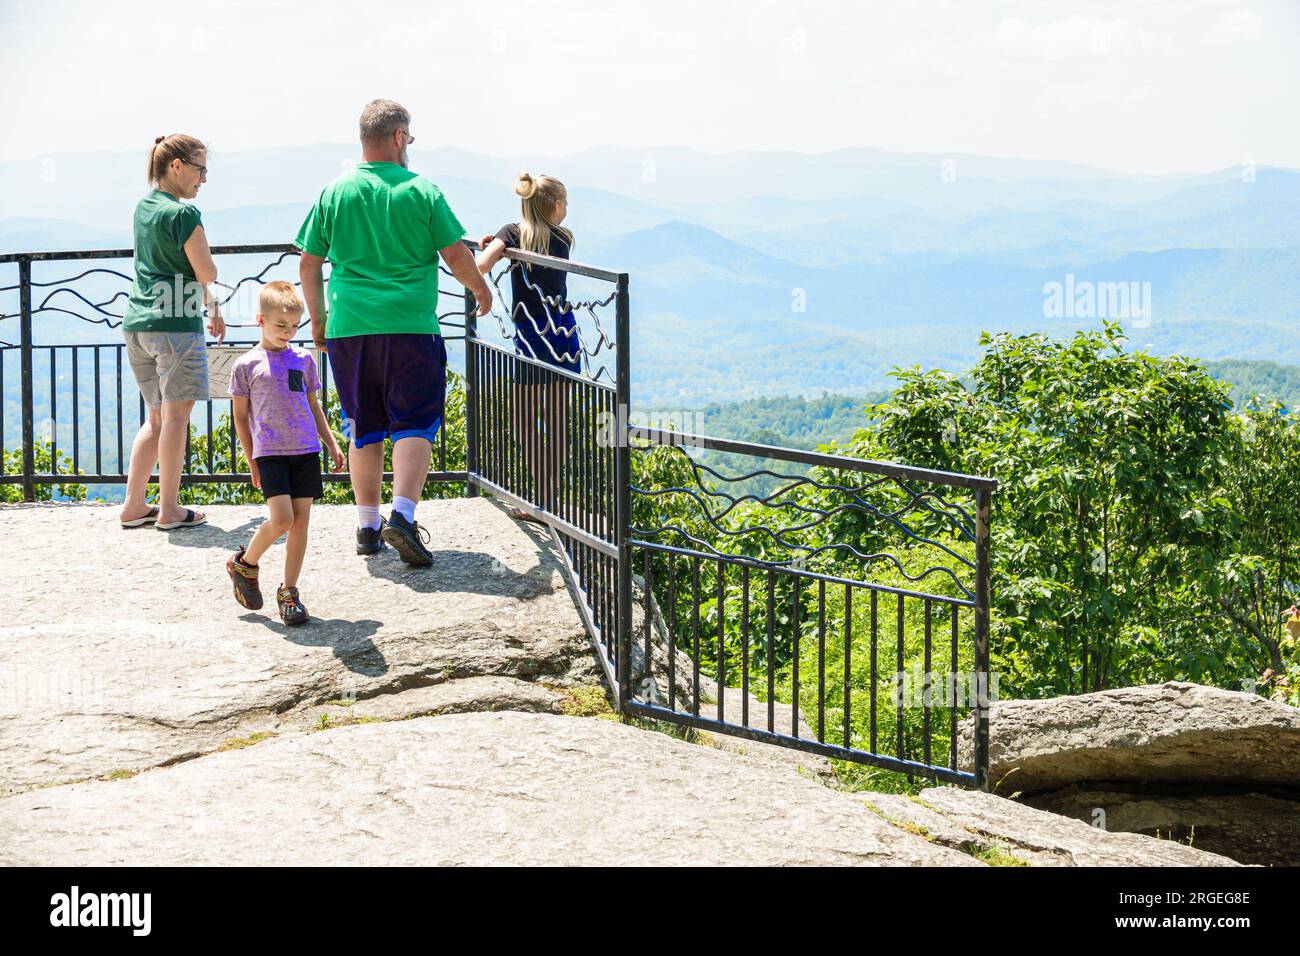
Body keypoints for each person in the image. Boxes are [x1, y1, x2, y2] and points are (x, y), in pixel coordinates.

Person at [296, 99, 492, 566]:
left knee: (363, 425)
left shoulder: (335, 192)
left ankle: (367, 526)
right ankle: (402, 516)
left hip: (350, 329)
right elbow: (456, 254)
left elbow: (309, 261)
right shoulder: (422, 191)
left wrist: (319, 321)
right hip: (409, 326)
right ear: (400, 137)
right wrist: (481, 291)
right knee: (415, 421)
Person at [119, 134, 225, 531]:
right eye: (200, 169)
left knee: (157, 418)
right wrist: (211, 294)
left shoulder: (142, 208)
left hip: (138, 325)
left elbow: (164, 267)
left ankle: (133, 505)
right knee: (178, 417)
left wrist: (211, 304)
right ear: (176, 166)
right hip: (176, 326)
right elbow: (206, 271)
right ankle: (170, 510)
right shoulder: (184, 215)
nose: (203, 180)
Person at [225, 281, 345, 626]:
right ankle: (244, 563)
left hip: (305, 450)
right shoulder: (246, 365)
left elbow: (312, 405)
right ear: (260, 320)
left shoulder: (304, 360)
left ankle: (289, 592)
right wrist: (251, 457)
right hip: (270, 453)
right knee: (282, 520)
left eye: (294, 326)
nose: (288, 333)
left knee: (301, 523)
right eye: (281, 326)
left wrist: (330, 442)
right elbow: (239, 416)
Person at [476, 172, 580, 522]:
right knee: (558, 419)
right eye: (565, 202)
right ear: (554, 206)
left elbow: (482, 264)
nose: (567, 208)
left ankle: (540, 498)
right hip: (563, 334)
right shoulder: (564, 238)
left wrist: (499, 249)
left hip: (532, 335)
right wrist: (509, 249)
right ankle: (549, 500)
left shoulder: (512, 233)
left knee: (525, 418)